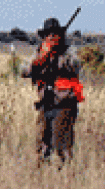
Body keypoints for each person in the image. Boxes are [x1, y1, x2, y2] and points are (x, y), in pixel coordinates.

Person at [21, 17, 84, 165]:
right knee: (41, 146)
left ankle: (64, 179)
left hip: (64, 104)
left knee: (62, 147)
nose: (51, 37)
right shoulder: (40, 52)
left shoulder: (68, 51)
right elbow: (24, 71)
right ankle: (43, 179)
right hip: (45, 103)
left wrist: (57, 55)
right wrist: (42, 58)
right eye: (48, 34)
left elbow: (76, 66)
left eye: (54, 34)